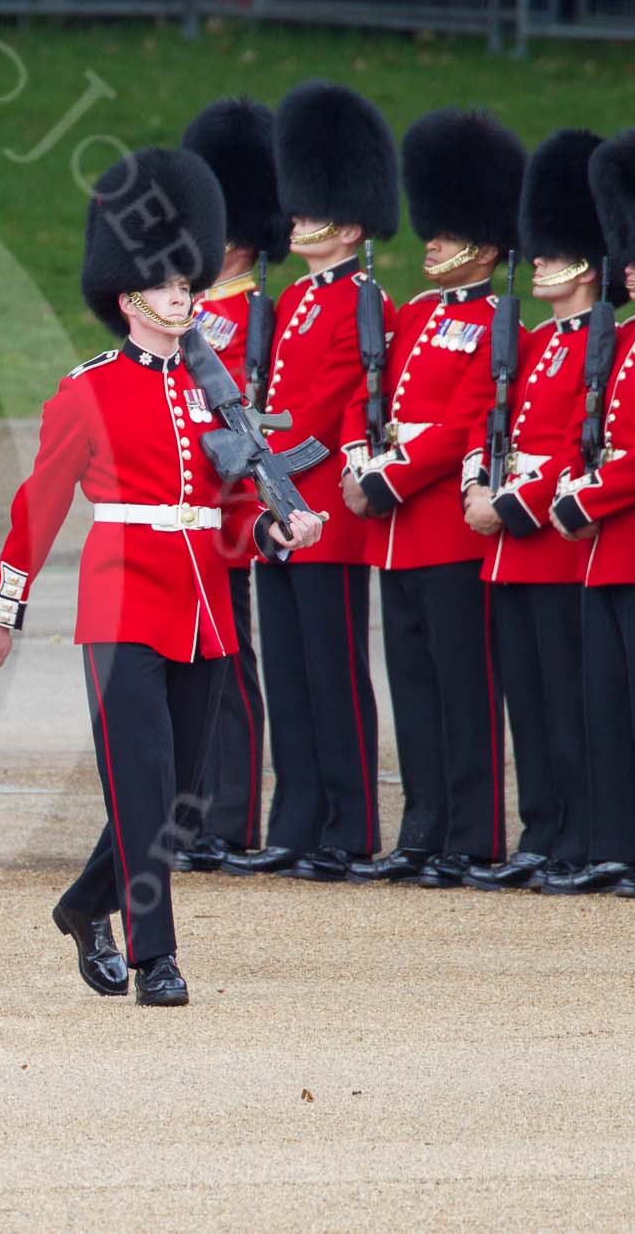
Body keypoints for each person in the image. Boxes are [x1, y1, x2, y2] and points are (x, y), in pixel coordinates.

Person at [0, 148, 322, 1008]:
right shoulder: (87, 393)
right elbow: (39, 505)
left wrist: (277, 528)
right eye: (169, 285)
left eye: (190, 283)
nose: (186, 296)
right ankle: (155, 956)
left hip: (203, 599)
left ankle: (84, 904)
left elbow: (229, 512)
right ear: (129, 294)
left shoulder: (214, 395)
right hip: (123, 596)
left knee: (184, 793)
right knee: (142, 786)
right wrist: (5, 608)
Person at [341, 110, 520, 889]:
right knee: (412, 685)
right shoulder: (413, 314)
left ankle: (471, 833)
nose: (431, 245)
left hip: (447, 530)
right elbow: (364, 396)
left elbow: (464, 426)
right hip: (398, 531)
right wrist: (358, 455)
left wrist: (387, 475)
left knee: (462, 685)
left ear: (483, 246)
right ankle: (422, 828)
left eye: (445, 236)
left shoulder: (493, 324)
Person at [224, 81, 395, 882]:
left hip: (324, 508)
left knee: (331, 668)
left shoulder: (365, 300)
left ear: (350, 224)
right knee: (290, 672)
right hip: (281, 504)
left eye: (313, 209)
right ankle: (296, 819)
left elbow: (329, 406)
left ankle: (350, 823)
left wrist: (264, 441)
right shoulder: (291, 297)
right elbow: (271, 390)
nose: (296, 220)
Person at [462, 130, 609, 892]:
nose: (539, 262)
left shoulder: (597, 345)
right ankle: (542, 828)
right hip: (511, 547)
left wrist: (513, 502)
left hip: (553, 543)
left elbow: (579, 446)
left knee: (566, 700)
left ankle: (580, 835)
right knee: (528, 697)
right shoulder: (544, 342)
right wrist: (479, 489)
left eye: (551, 254)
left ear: (586, 263)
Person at [543, 130, 635, 897]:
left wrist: (583, 496)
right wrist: (568, 484)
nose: (625, 262)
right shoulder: (622, 338)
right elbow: (582, 424)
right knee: (608, 702)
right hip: (601, 547)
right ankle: (619, 842)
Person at [174, 95, 290, 871]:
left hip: (230, 504)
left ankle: (233, 813)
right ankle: (191, 809)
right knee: (186, 657)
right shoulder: (185, 311)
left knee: (229, 658)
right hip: (179, 501)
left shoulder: (254, 312)